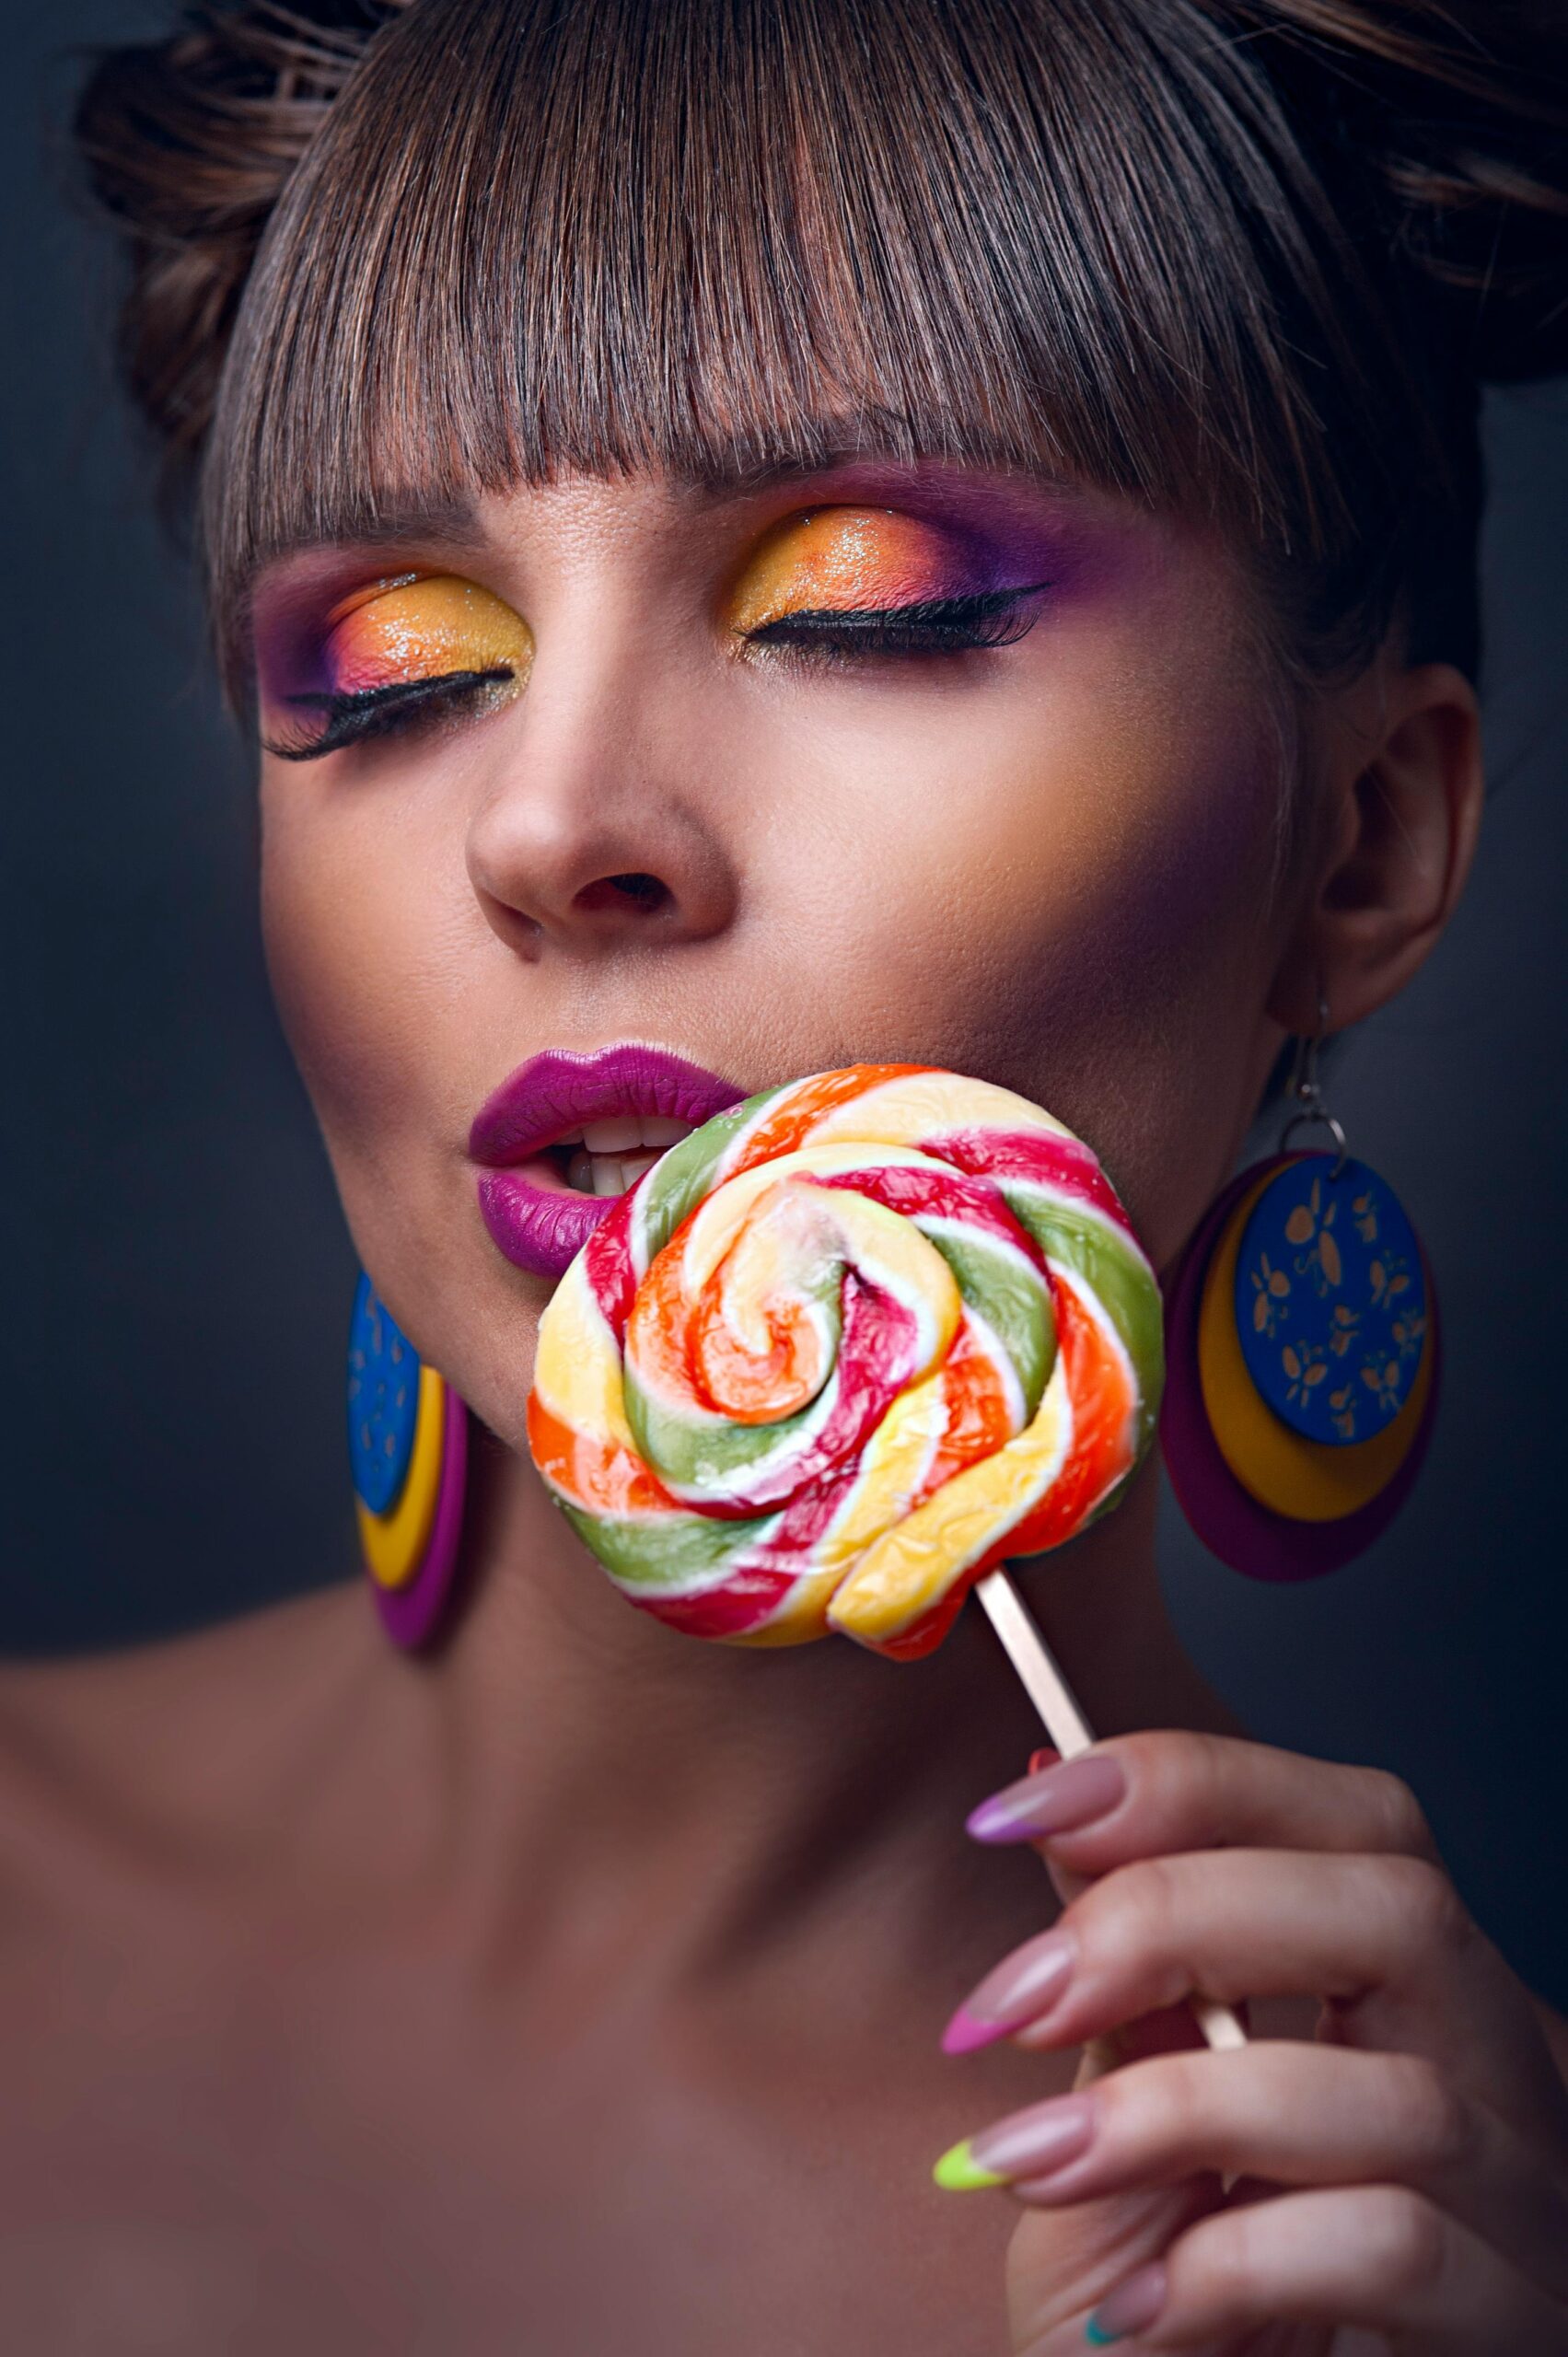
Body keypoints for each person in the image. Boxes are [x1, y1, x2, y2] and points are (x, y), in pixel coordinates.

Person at [16, 0, 1565, 2346]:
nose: (549, 826)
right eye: (404, 657)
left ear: (1360, 843)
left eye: (858, 606)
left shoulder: (1456, 2231)